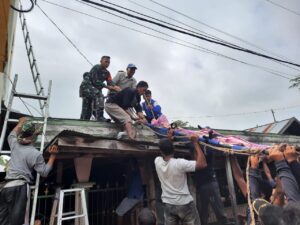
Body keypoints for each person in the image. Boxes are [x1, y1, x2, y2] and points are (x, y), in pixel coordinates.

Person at [0, 117, 58, 225]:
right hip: (19, 187)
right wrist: (53, 156)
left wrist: (20, 123)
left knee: (2, 220)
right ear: (34, 137)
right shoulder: (35, 154)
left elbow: (12, 134)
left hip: (5, 187)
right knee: (18, 221)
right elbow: (44, 172)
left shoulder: (14, 144)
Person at [154, 137, 207, 225]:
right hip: (184, 203)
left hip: (168, 204)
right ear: (173, 149)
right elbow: (203, 164)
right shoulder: (180, 163)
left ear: (161, 152)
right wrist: (196, 143)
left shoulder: (157, 161)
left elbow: (166, 151)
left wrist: (168, 139)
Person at [193, 145, 230, 225]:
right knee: (203, 213)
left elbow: (200, 161)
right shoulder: (201, 149)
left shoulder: (207, 149)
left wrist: (195, 144)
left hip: (209, 183)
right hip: (202, 185)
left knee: (219, 211)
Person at [80, 56, 120, 121]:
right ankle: (99, 117)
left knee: (89, 109)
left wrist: (115, 87)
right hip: (86, 86)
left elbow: (110, 82)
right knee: (98, 97)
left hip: (94, 89)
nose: (107, 64)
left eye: (108, 62)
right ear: (101, 61)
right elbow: (95, 81)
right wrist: (108, 87)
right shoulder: (96, 68)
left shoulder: (107, 73)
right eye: (106, 62)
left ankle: (91, 118)